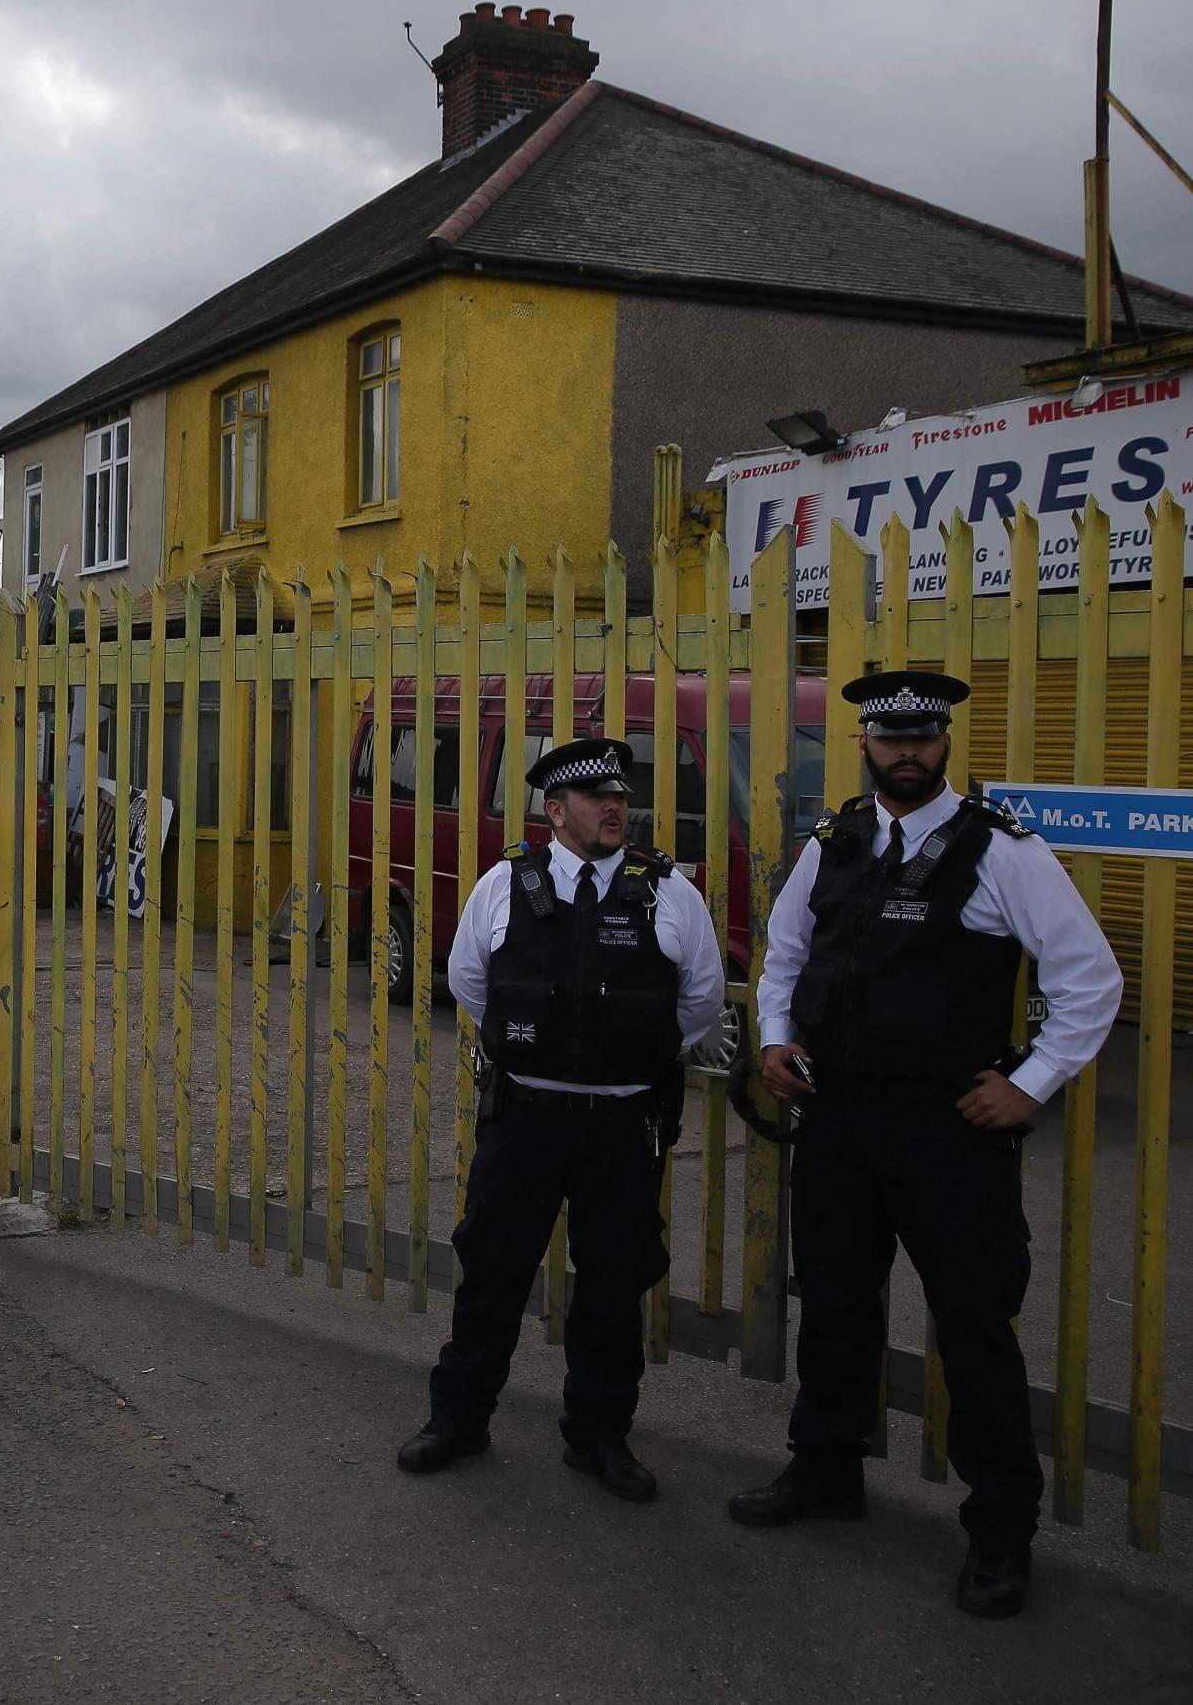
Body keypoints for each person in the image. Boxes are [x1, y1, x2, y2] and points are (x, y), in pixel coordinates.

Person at [735, 669, 1120, 1620]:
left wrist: (1027, 1083)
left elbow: (1090, 978)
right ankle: (827, 1468)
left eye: (924, 737)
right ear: (864, 742)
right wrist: (776, 1038)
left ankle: (1001, 1526)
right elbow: (786, 953)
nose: (906, 751)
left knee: (975, 1325)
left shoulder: (1001, 851)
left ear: (945, 744)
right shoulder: (836, 842)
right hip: (840, 1120)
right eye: (889, 737)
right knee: (833, 1303)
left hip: (949, 1131)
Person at [397, 735, 726, 1502]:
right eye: (595, 797)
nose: (616, 807)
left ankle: (599, 1436)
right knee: (493, 1273)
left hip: (622, 1128)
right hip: (525, 1120)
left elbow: (702, 1001)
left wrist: (622, 1059)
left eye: (620, 795)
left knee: (613, 1285)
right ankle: (459, 1418)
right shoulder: (505, 885)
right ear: (556, 810)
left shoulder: (669, 893)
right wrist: (542, 1058)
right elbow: (469, 981)